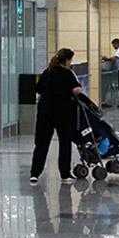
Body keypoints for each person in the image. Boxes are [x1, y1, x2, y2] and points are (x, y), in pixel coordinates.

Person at [29, 48, 83, 185]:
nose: (71, 63)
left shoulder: (47, 72)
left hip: (45, 112)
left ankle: (35, 173)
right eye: (70, 60)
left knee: (41, 144)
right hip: (63, 113)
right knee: (65, 143)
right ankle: (65, 174)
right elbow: (76, 90)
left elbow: (38, 88)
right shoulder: (68, 74)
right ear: (66, 60)